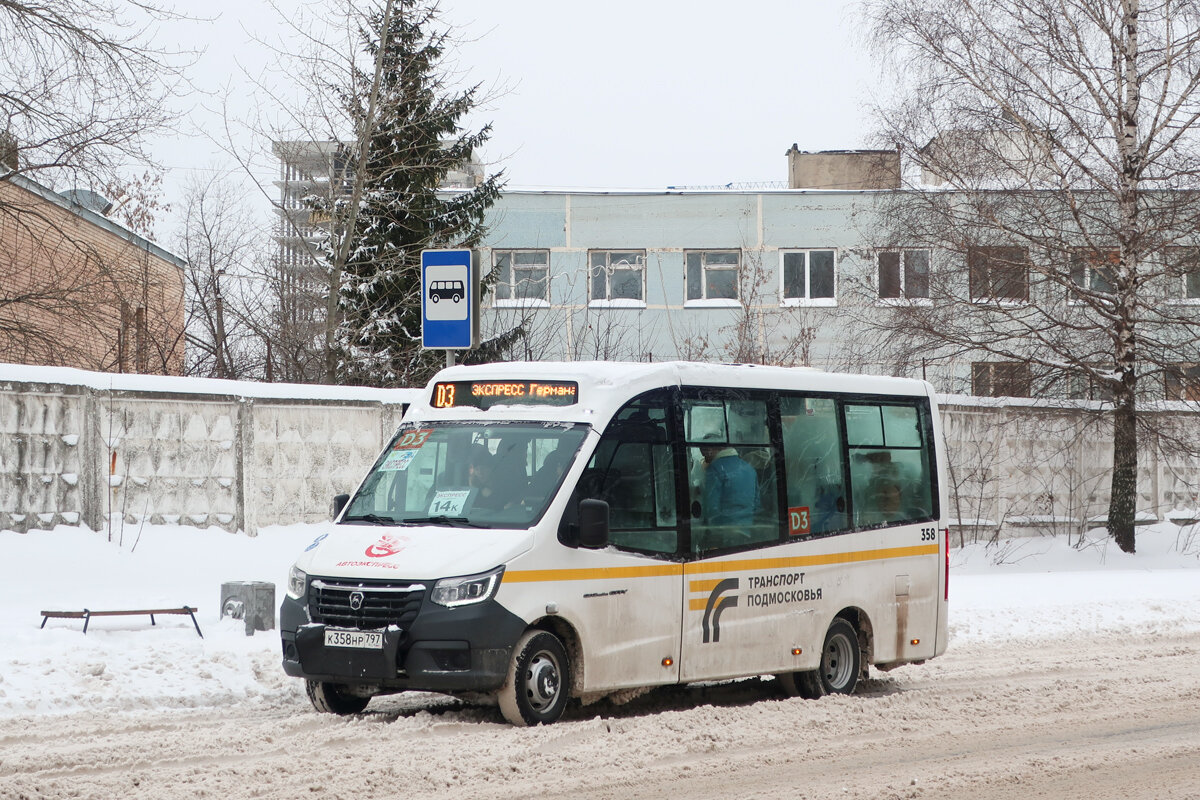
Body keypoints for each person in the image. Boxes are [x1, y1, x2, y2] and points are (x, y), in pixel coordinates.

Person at [699, 439, 757, 526]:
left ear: (711, 449)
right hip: (747, 527)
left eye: (705, 452)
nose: (705, 457)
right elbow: (757, 503)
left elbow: (711, 507)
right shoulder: (750, 469)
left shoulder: (715, 468)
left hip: (724, 530)